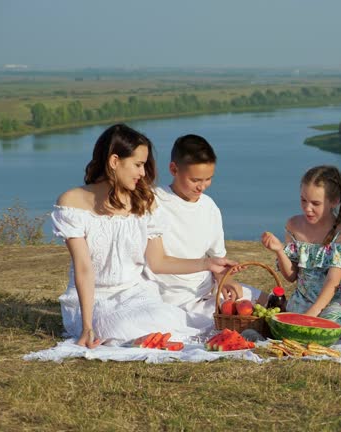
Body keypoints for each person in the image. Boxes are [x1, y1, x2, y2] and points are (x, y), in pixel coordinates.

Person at [52, 124, 236, 348]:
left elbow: (158, 262)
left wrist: (208, 264)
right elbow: (83, 268)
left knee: (170, 322)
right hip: (96, 299)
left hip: (137, 295)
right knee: (123, 328)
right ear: (114, 161)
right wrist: (87, 326)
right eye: (138, 165)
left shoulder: (144, 201)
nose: (143, 173)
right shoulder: (72, 203)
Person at [150, 134, 267, 332]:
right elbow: (158, 263)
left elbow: (217, 260)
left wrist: (227, 281)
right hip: (174, 298)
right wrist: (208, 266)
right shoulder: (154, 201)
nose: (202, 186)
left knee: (268, 301)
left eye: (208, 179)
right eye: (195, 180)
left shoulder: (209, 207)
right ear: (173, 169)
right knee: (233, 324)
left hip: (209, 291)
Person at [261, 165, 341, 337]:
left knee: (324, 333)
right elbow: (291, 276)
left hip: (332, 303)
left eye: (315, 203)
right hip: (302, 301)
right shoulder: (293, 225)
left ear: (334, 201)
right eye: (303, 200)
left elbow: (333, 282)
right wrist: (279, 250)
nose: (307, 208)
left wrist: (311, 315)